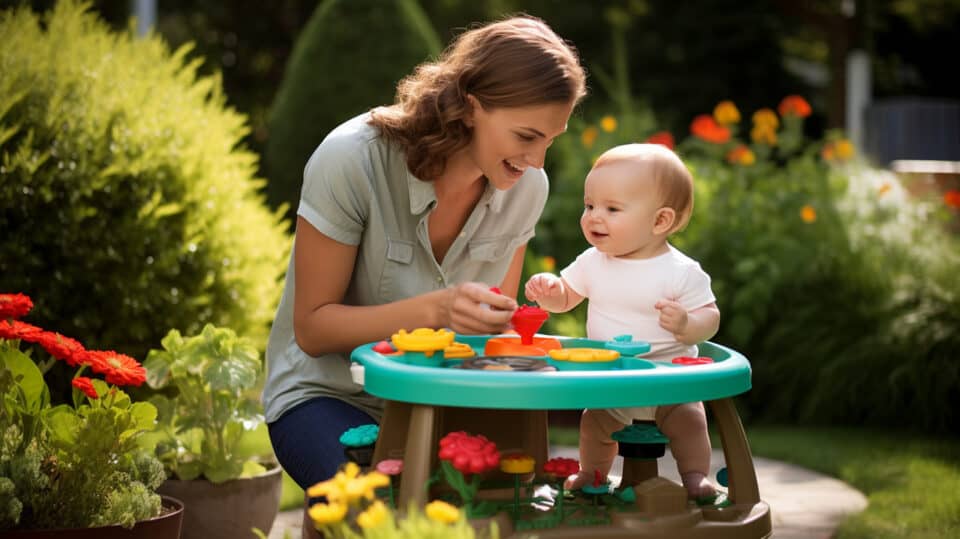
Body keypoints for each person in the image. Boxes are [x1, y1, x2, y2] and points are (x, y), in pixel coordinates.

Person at [262, 15, 587, 490]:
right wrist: (436, 310)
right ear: (471, 107)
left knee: (504, 503)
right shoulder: (352, 159)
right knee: (373, 506)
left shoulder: (526, 187)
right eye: (526, 137)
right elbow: (312, 329)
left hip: (443, 398)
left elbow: (491, 337)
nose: (537, 161)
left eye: (550, 140)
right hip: (328, 396)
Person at [524, 143, 720, 499]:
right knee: (593, 424)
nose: (594, 216)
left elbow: (711, 318)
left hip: (668, 386)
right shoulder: (593, 261)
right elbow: (567, 297)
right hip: (612, 384)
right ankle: (592, 474)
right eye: (590, 205)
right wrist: (550, 290)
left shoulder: (680, 272)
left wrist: (687, 324)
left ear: (660, 221)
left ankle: (694, 477)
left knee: (690, 424)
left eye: (612, 208)